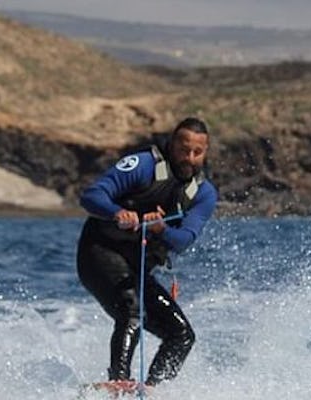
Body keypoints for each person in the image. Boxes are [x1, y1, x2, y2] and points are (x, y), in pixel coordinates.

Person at [76, 117, 218, 388]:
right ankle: (118, 383)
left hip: (136, 268)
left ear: (205, 152)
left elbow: (184, 239)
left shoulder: (203, 193)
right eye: (183, 150)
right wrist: (118, 212)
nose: (189, 157)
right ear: (171, 146)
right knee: (133, 311)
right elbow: (91, 195)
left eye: (197, 152)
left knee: (182, 335)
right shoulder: (143, 165)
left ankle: (153, 389)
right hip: (99, 252)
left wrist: (160, 229)